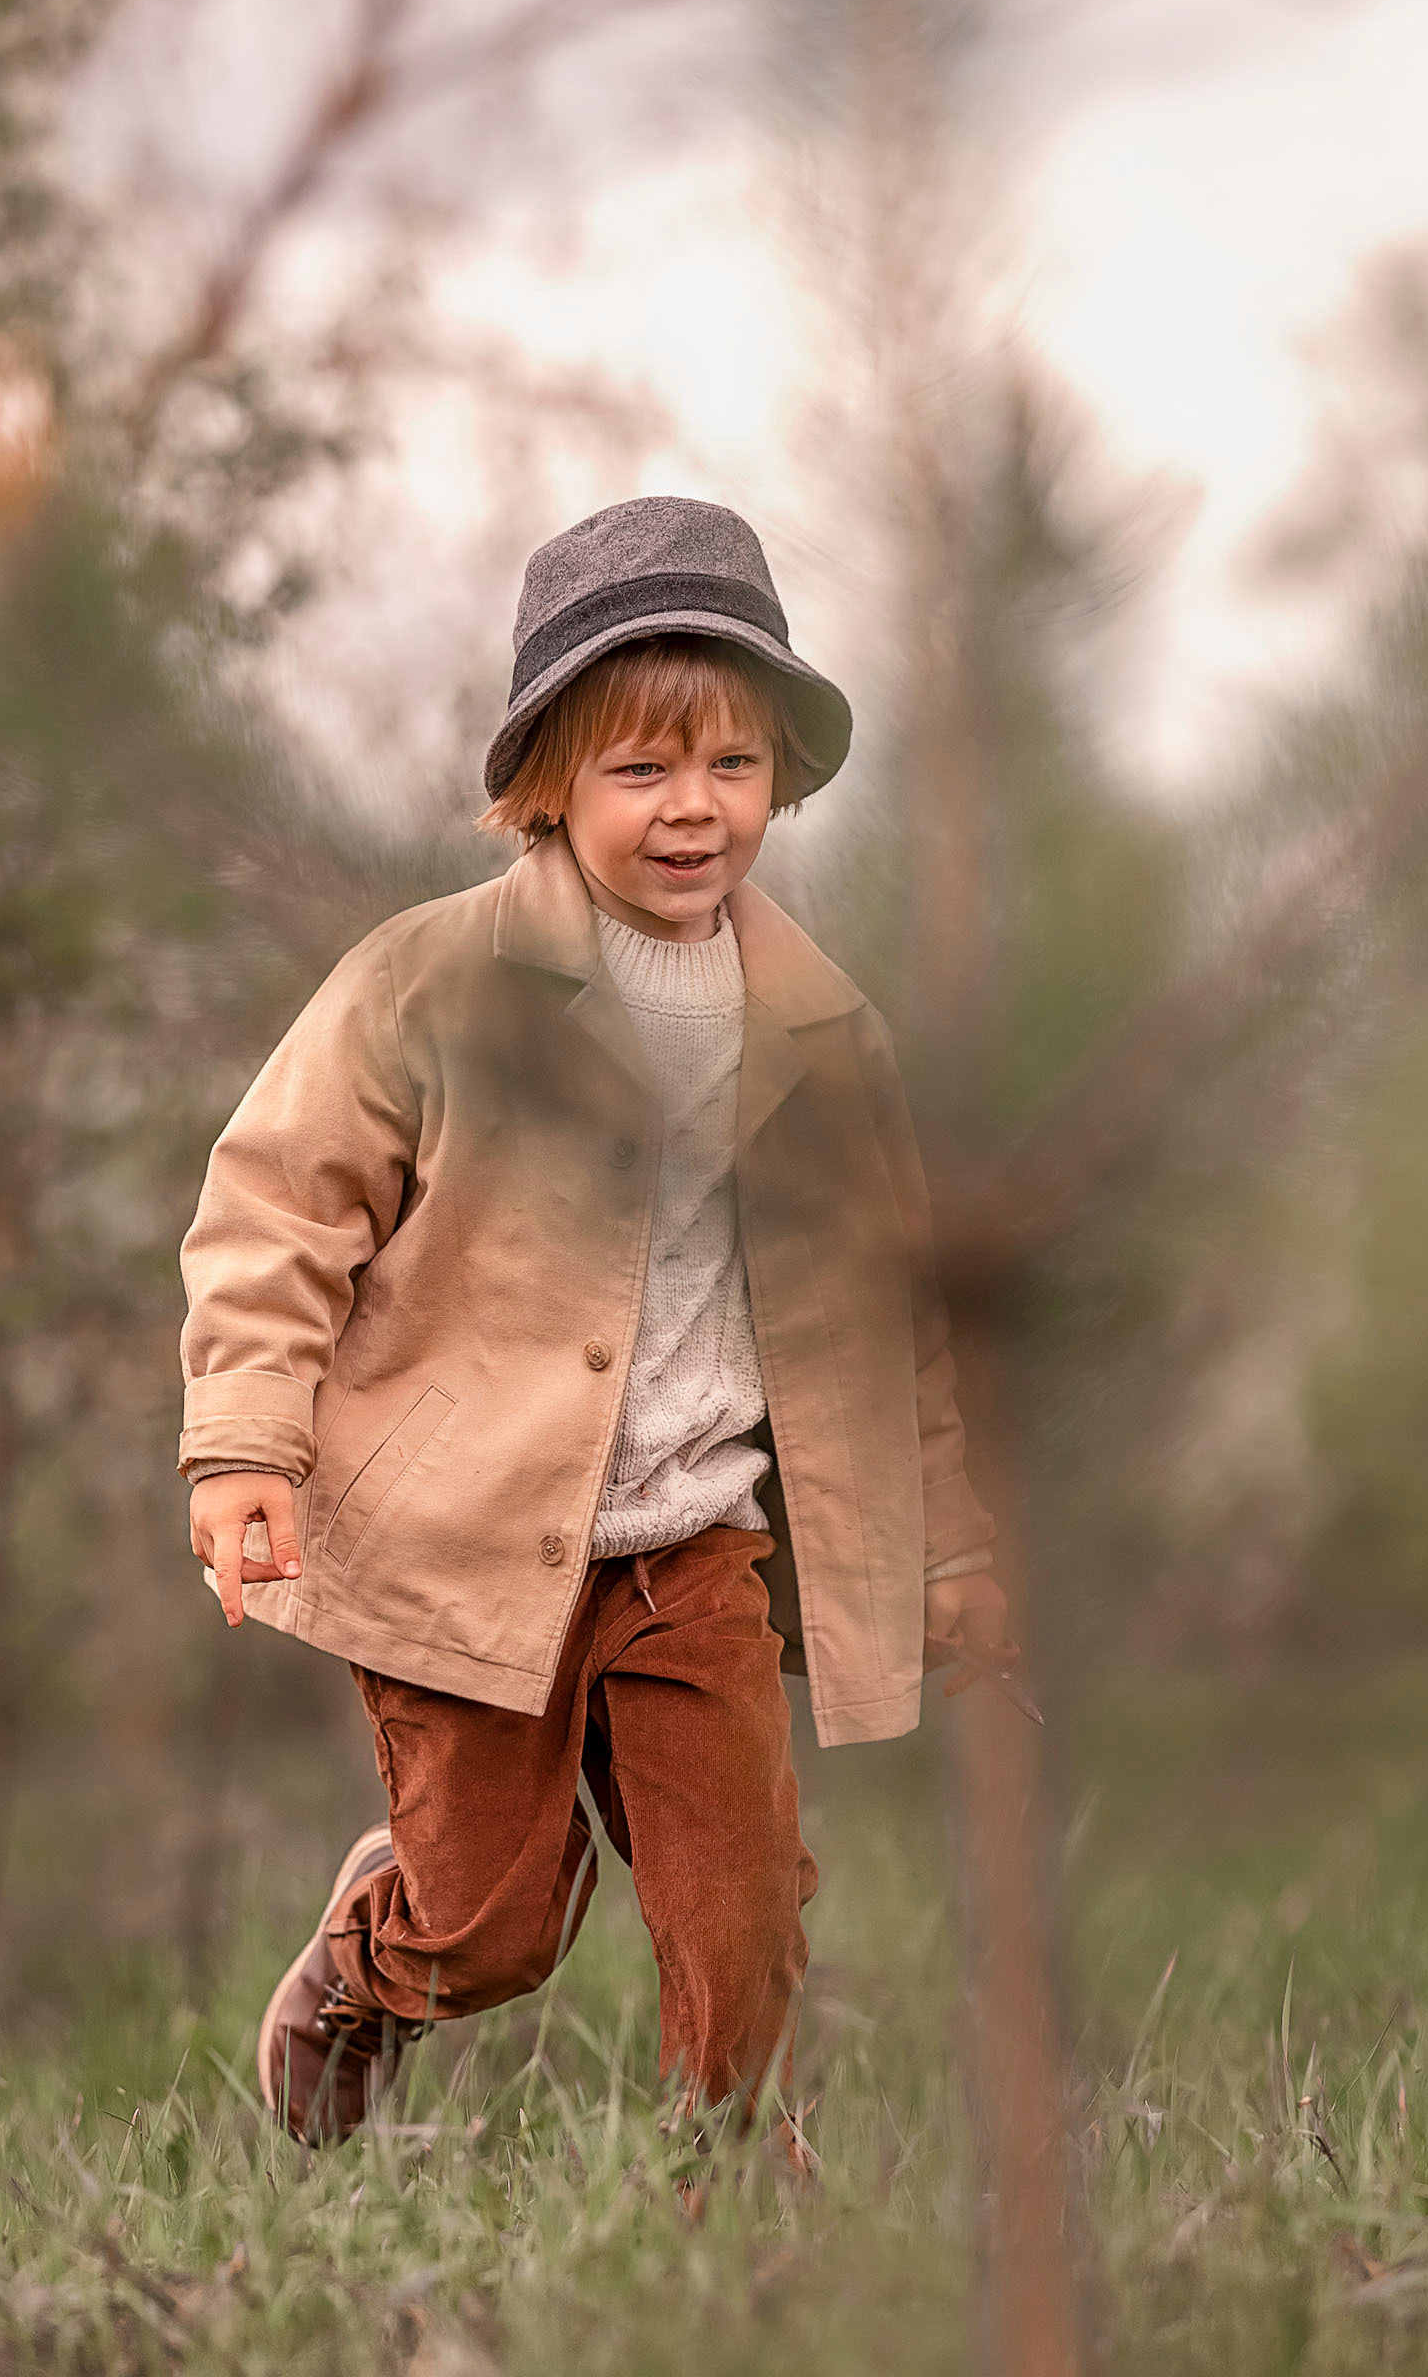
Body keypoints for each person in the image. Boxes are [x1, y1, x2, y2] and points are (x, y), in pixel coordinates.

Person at [179, 495, 1011, 2145]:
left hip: (692, 1543)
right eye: (641, 769)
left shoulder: (826, 1038)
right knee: (490, 1931)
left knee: (746, 1918)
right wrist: (245, 1447)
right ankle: (370, 1962)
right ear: (544, 783)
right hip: (462, 1531)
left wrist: (947, 1553)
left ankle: (731, 2229)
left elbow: (887, 1333)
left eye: (732, 766)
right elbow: (276, 1207)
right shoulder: (432, 986)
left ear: (779, 774)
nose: (693, 809)